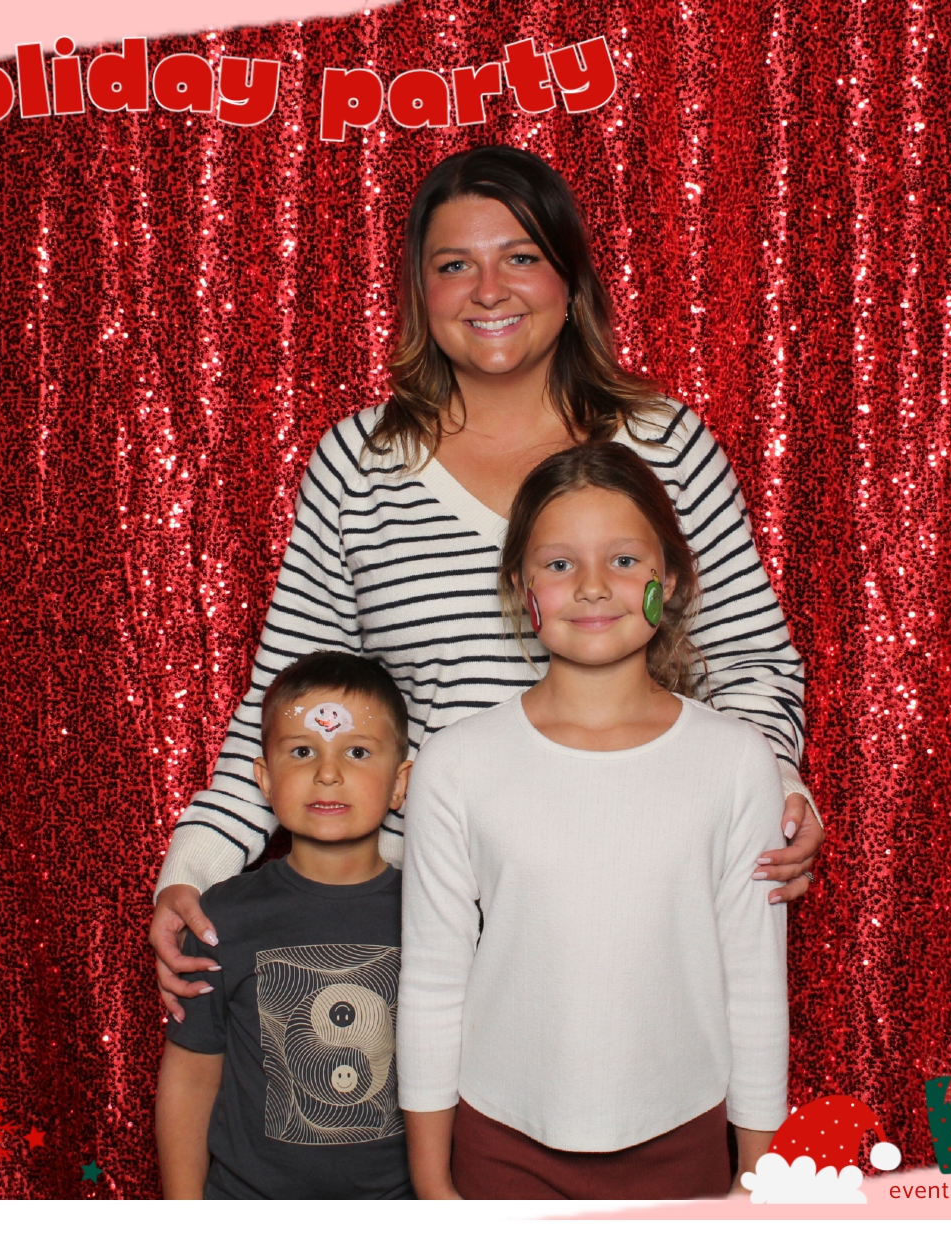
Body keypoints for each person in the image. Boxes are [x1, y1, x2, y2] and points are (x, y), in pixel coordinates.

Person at [150, 144, 824, 1020]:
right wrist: (195, 868)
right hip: (422, 918)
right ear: (419, 294)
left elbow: (748, 662)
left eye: (520, 257)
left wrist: (774, 792)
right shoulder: (359, 466)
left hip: (643, 893)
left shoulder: (663, 444)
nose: (489, 290)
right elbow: (294, 702)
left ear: (570, 281)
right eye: (454, 265)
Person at [399, 441, 789, 1199]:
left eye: (623, 560)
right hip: (500, 1148)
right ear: (521, 589)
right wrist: (432, 1184)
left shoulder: (738, 761)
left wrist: (757, 1180)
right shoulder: (456, 762)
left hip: (683, 1145)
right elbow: (435, 982)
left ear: (671, 582)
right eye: (559, 563)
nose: (591, 586)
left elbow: (753, 982)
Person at [154, 651, 415, 1199]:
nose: (327, 773)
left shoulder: (433, 915)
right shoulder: (223, 916)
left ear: (399, 783)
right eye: (302, 751)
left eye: (357, 752)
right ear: (266, 780)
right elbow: (191, 1078)